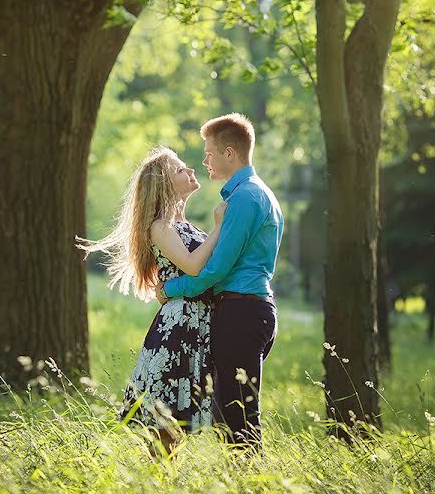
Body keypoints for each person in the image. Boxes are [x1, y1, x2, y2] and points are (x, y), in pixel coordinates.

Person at [76, 147, 226, 456]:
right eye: (180, 169)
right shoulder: (160, 226)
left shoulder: (184, 225)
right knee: (166, 423)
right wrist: (220, 228)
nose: (191, 171)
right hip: (180, 327)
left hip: (197, 324)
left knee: (179, 421)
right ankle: (157, 482)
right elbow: (193, 266)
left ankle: (161, 481)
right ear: (164, 183)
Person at [156, 113, 283, 451]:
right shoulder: (259, 194)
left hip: (242, 312)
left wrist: (170, 289)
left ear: (230, 153)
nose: (204, 160)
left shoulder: (243, 200)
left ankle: (248, 483)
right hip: (252, 310)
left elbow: (216, 271)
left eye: (209, 153)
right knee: (228, 412)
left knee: (239, 419)